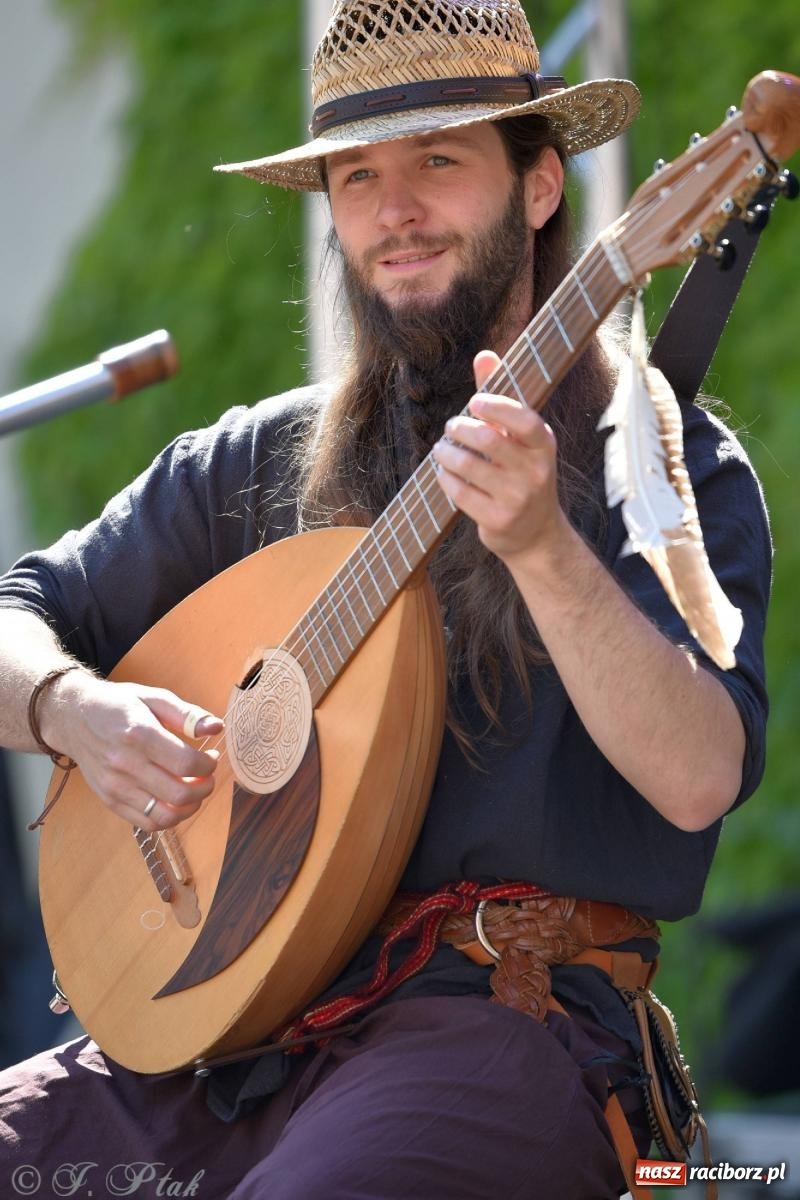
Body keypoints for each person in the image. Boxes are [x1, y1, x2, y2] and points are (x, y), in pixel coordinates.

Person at [0, 1, 771, 1197]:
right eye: (356, 178)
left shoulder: (659, 466)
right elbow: (16, 612)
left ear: (538, 187)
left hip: (497, 1026)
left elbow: (698, 775)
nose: (392, 212)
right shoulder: (255, 463)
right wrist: (73, 710)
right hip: (230, 1043)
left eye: (439, 162)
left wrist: (543, 549)